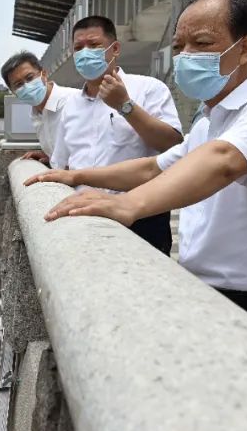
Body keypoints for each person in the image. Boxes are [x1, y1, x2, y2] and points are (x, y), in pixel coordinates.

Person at [27, 0, 247, 351]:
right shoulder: (211, 120)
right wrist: (75, 176)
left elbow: (224, 161)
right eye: (180, 47)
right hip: (204, 295)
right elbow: (155, 168)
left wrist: (126, 205)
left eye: (202, 43)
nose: (185, 56)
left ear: (244, 48)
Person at [50, 15, 183, 254]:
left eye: (94, 45)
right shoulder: (70, 105)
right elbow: (62, 162)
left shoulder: (148, 88)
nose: (85, 53)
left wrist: (125, 106)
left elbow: (172, 145)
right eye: (78, 48)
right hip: (84, 214)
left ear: (115, 49)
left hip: (142, 215)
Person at [0, 51, 80, 165]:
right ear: (14, 92)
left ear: (44, 74)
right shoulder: (36, 114)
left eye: (30, 78)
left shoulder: (75, 101)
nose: (27, 86)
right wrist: (51, 156)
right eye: (18, 84)